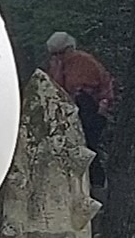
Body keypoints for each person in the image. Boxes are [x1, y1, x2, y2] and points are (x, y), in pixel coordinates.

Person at [43, 31, 118, 164]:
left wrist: (103, 106)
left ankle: (97, 180)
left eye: (60, 53)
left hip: (89, 109)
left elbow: (103, 85)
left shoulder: (84, 61)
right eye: (54, 54)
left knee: (88, 146)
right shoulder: (56, 65)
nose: (58, 57)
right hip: (68, 111)